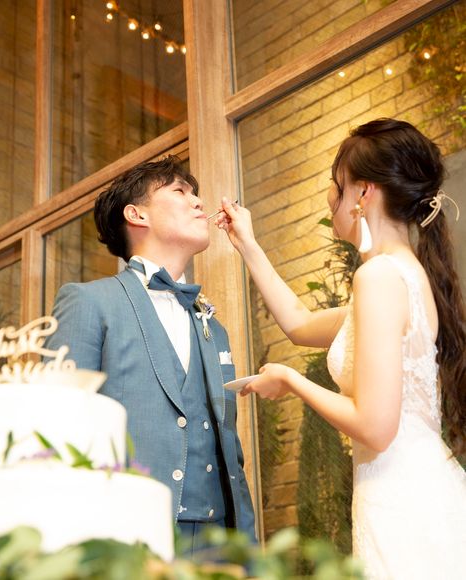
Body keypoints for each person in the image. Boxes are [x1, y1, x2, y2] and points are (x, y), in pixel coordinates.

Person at [216, 118, 466, 579]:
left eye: (338, 185)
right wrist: (247, 244)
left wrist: (290, 380)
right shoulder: (402, 273)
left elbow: (375, 427)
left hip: (403, 502)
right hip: (412, 490)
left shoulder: (379, 278)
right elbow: (299, 324)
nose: (331, 198)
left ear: (363, 194)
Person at [44, 155, 256, 553]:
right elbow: (59, 428)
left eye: (196, 194)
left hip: (219, 545)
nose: (198, 202)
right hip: (127, 539)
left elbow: (227, 446)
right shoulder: (89, 302)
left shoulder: (214, 328)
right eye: (180, 191)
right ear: (136, 214)